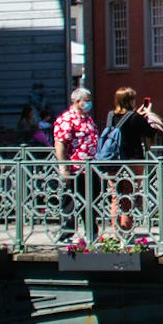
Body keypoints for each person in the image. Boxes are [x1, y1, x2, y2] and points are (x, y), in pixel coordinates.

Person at [104, 87, 163, 231]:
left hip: (113, 160)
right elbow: (150, 132)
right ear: (130, 100)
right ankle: (126, 230)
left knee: (115, 196)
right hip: (133, 160)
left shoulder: (111, 115)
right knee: (128, 196)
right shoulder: (135, 117)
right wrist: (148, 115)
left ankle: (116, 230)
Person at [52, 87, 99, 239]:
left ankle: (91, 233)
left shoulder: (87, 118)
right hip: (76, 168)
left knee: (91, 201)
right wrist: (64, 167)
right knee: (71, 201)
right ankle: (66, 233)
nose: (89, 103)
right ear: (77, 101)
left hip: (90, 167)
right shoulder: (67, 119)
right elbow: (60, 144)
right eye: (87, 101)